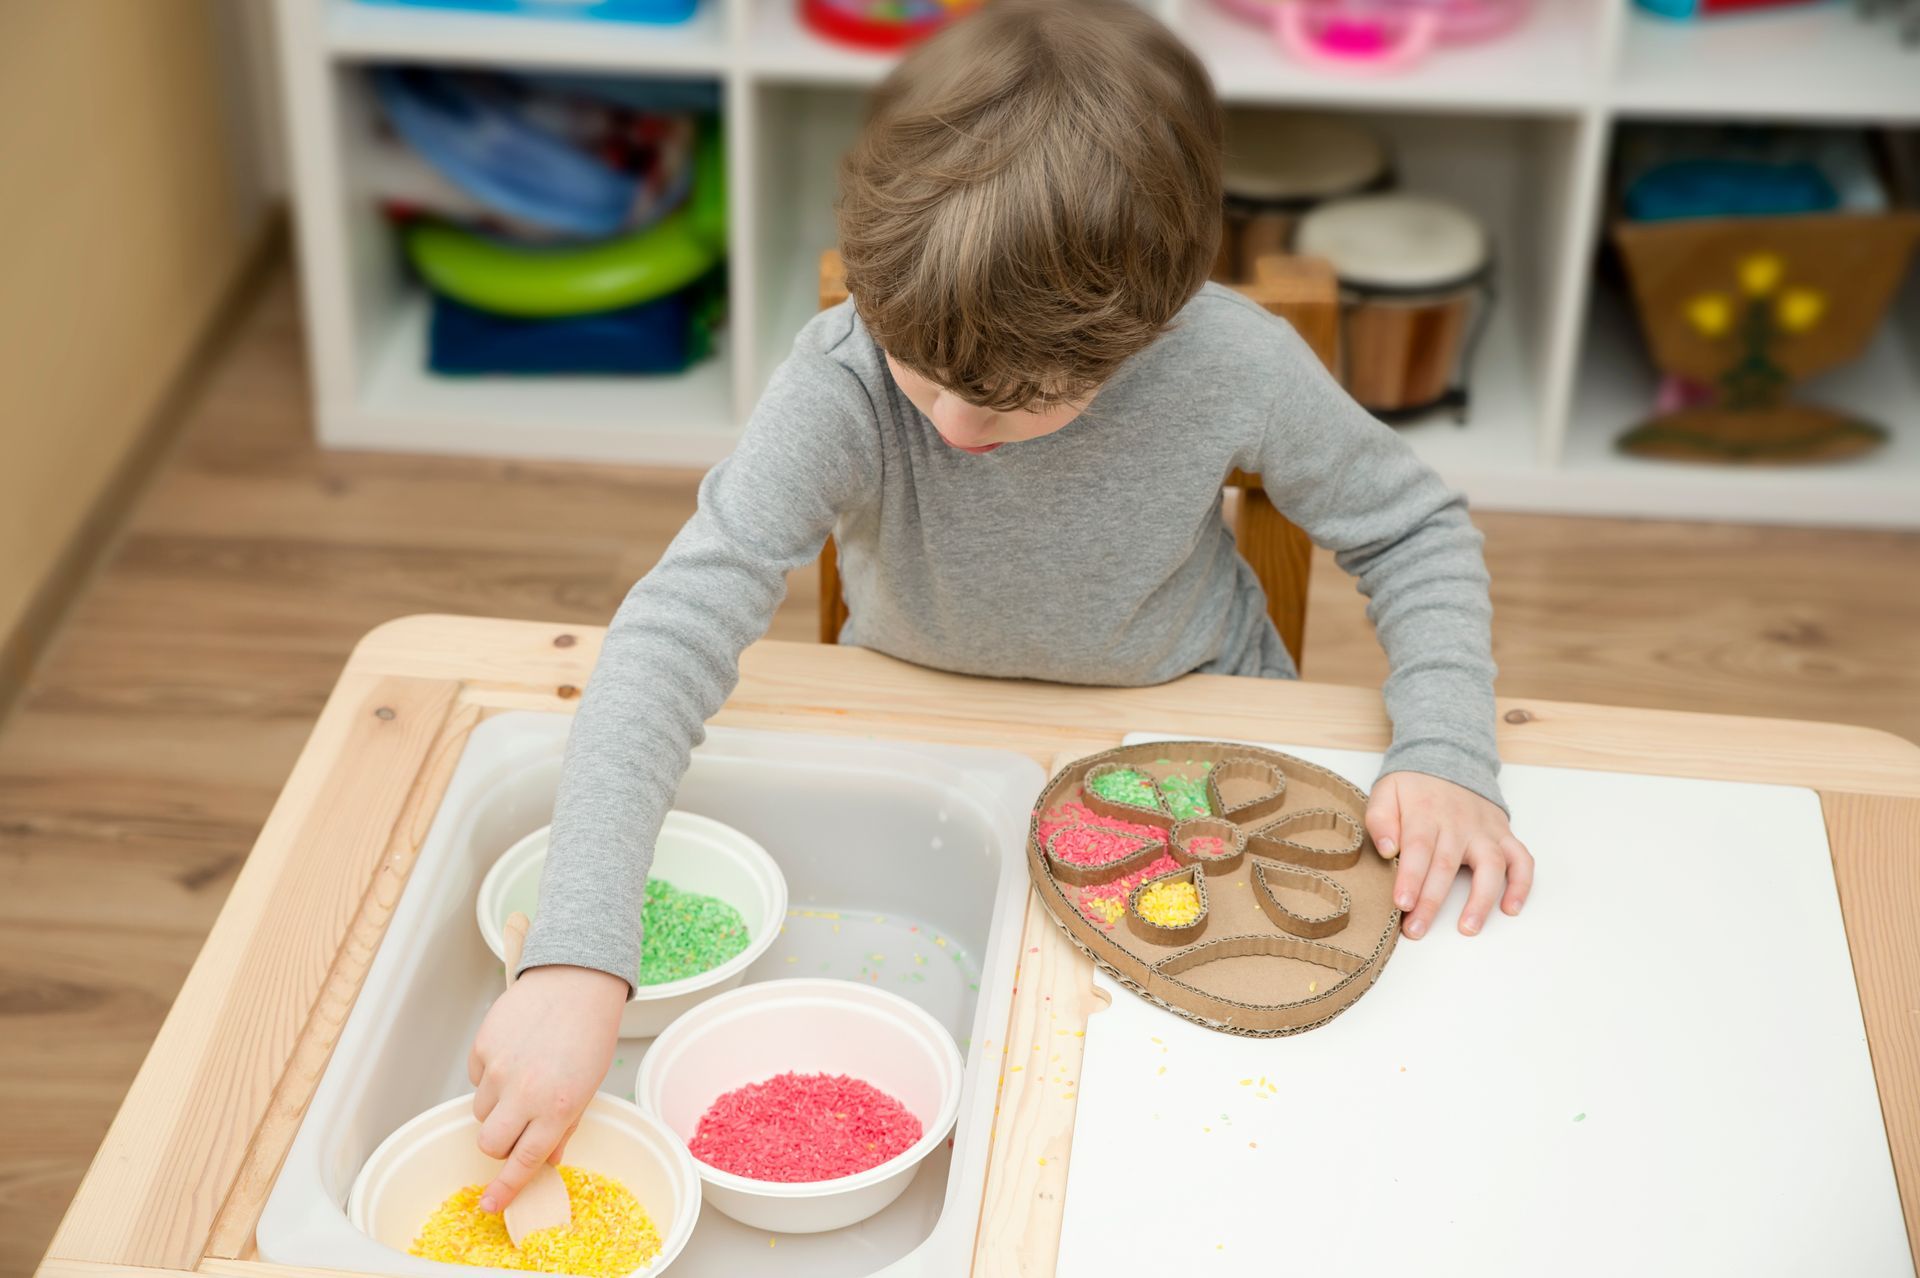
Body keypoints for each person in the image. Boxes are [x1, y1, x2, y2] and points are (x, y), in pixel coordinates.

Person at [466, 0, 1533, 1212]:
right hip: (924, 743)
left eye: (1025, 402)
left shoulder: (1232, 361)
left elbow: (1416, 525)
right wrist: (575, 950)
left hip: (1191, 750)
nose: (959, 430)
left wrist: (1447, 744)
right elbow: (675, 626)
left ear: (1151, 330)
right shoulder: (846, 370)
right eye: (926, 382)